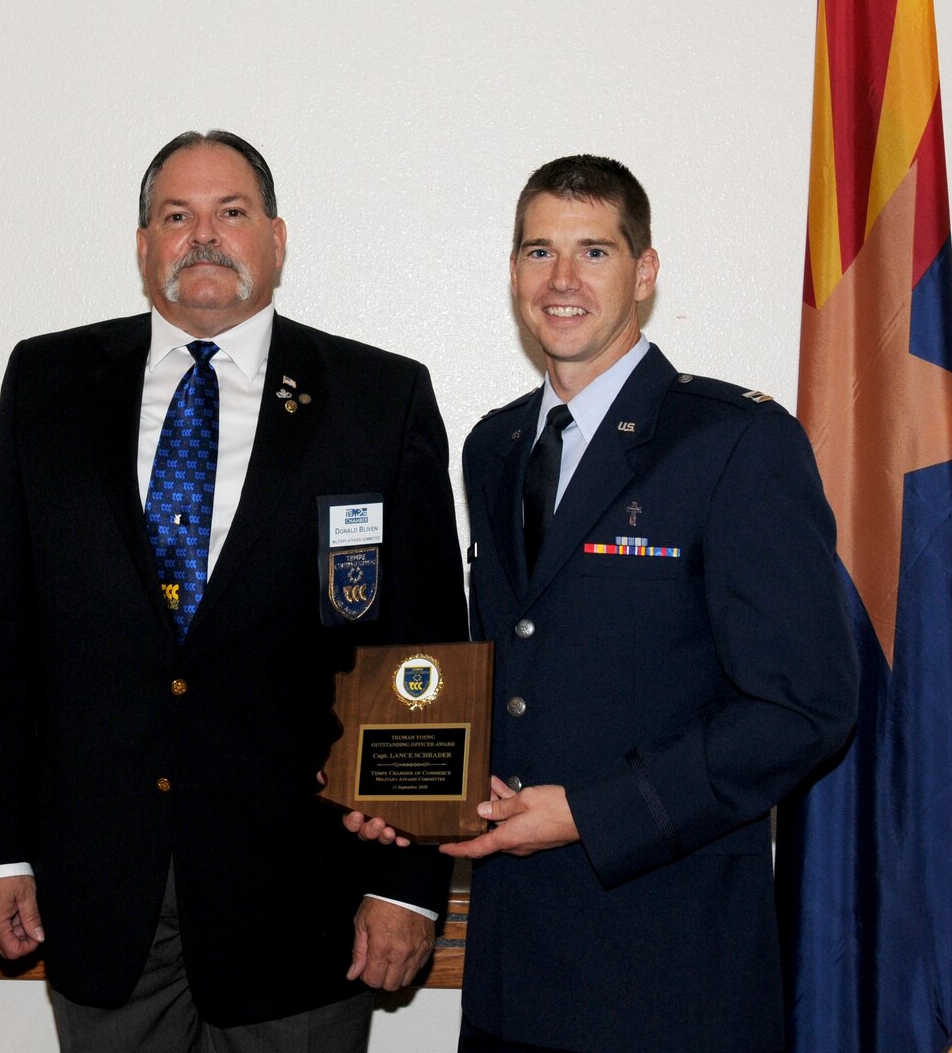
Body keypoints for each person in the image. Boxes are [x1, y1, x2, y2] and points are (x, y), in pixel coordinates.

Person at [0, 130, 468, 1051]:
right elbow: (0, 640)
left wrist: (407, 884)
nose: (204, 236)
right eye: (176, 216)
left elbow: (424, 655)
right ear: (144, 244)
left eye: (230, 213)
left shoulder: (376, 398)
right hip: (100, 897)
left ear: (276, 237)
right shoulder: (47, 382)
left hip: (304, 907)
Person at [348, 155, 858, 1051]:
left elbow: (803, 707)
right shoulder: (495, 445)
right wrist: (409, 788)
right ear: (513, 273)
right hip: (514, 967)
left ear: (645, 272)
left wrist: (589, 813)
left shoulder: (735, 443)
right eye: (539, 251)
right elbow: (508, 670)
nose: (563, 280)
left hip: (671, 966)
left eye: (594, 250)